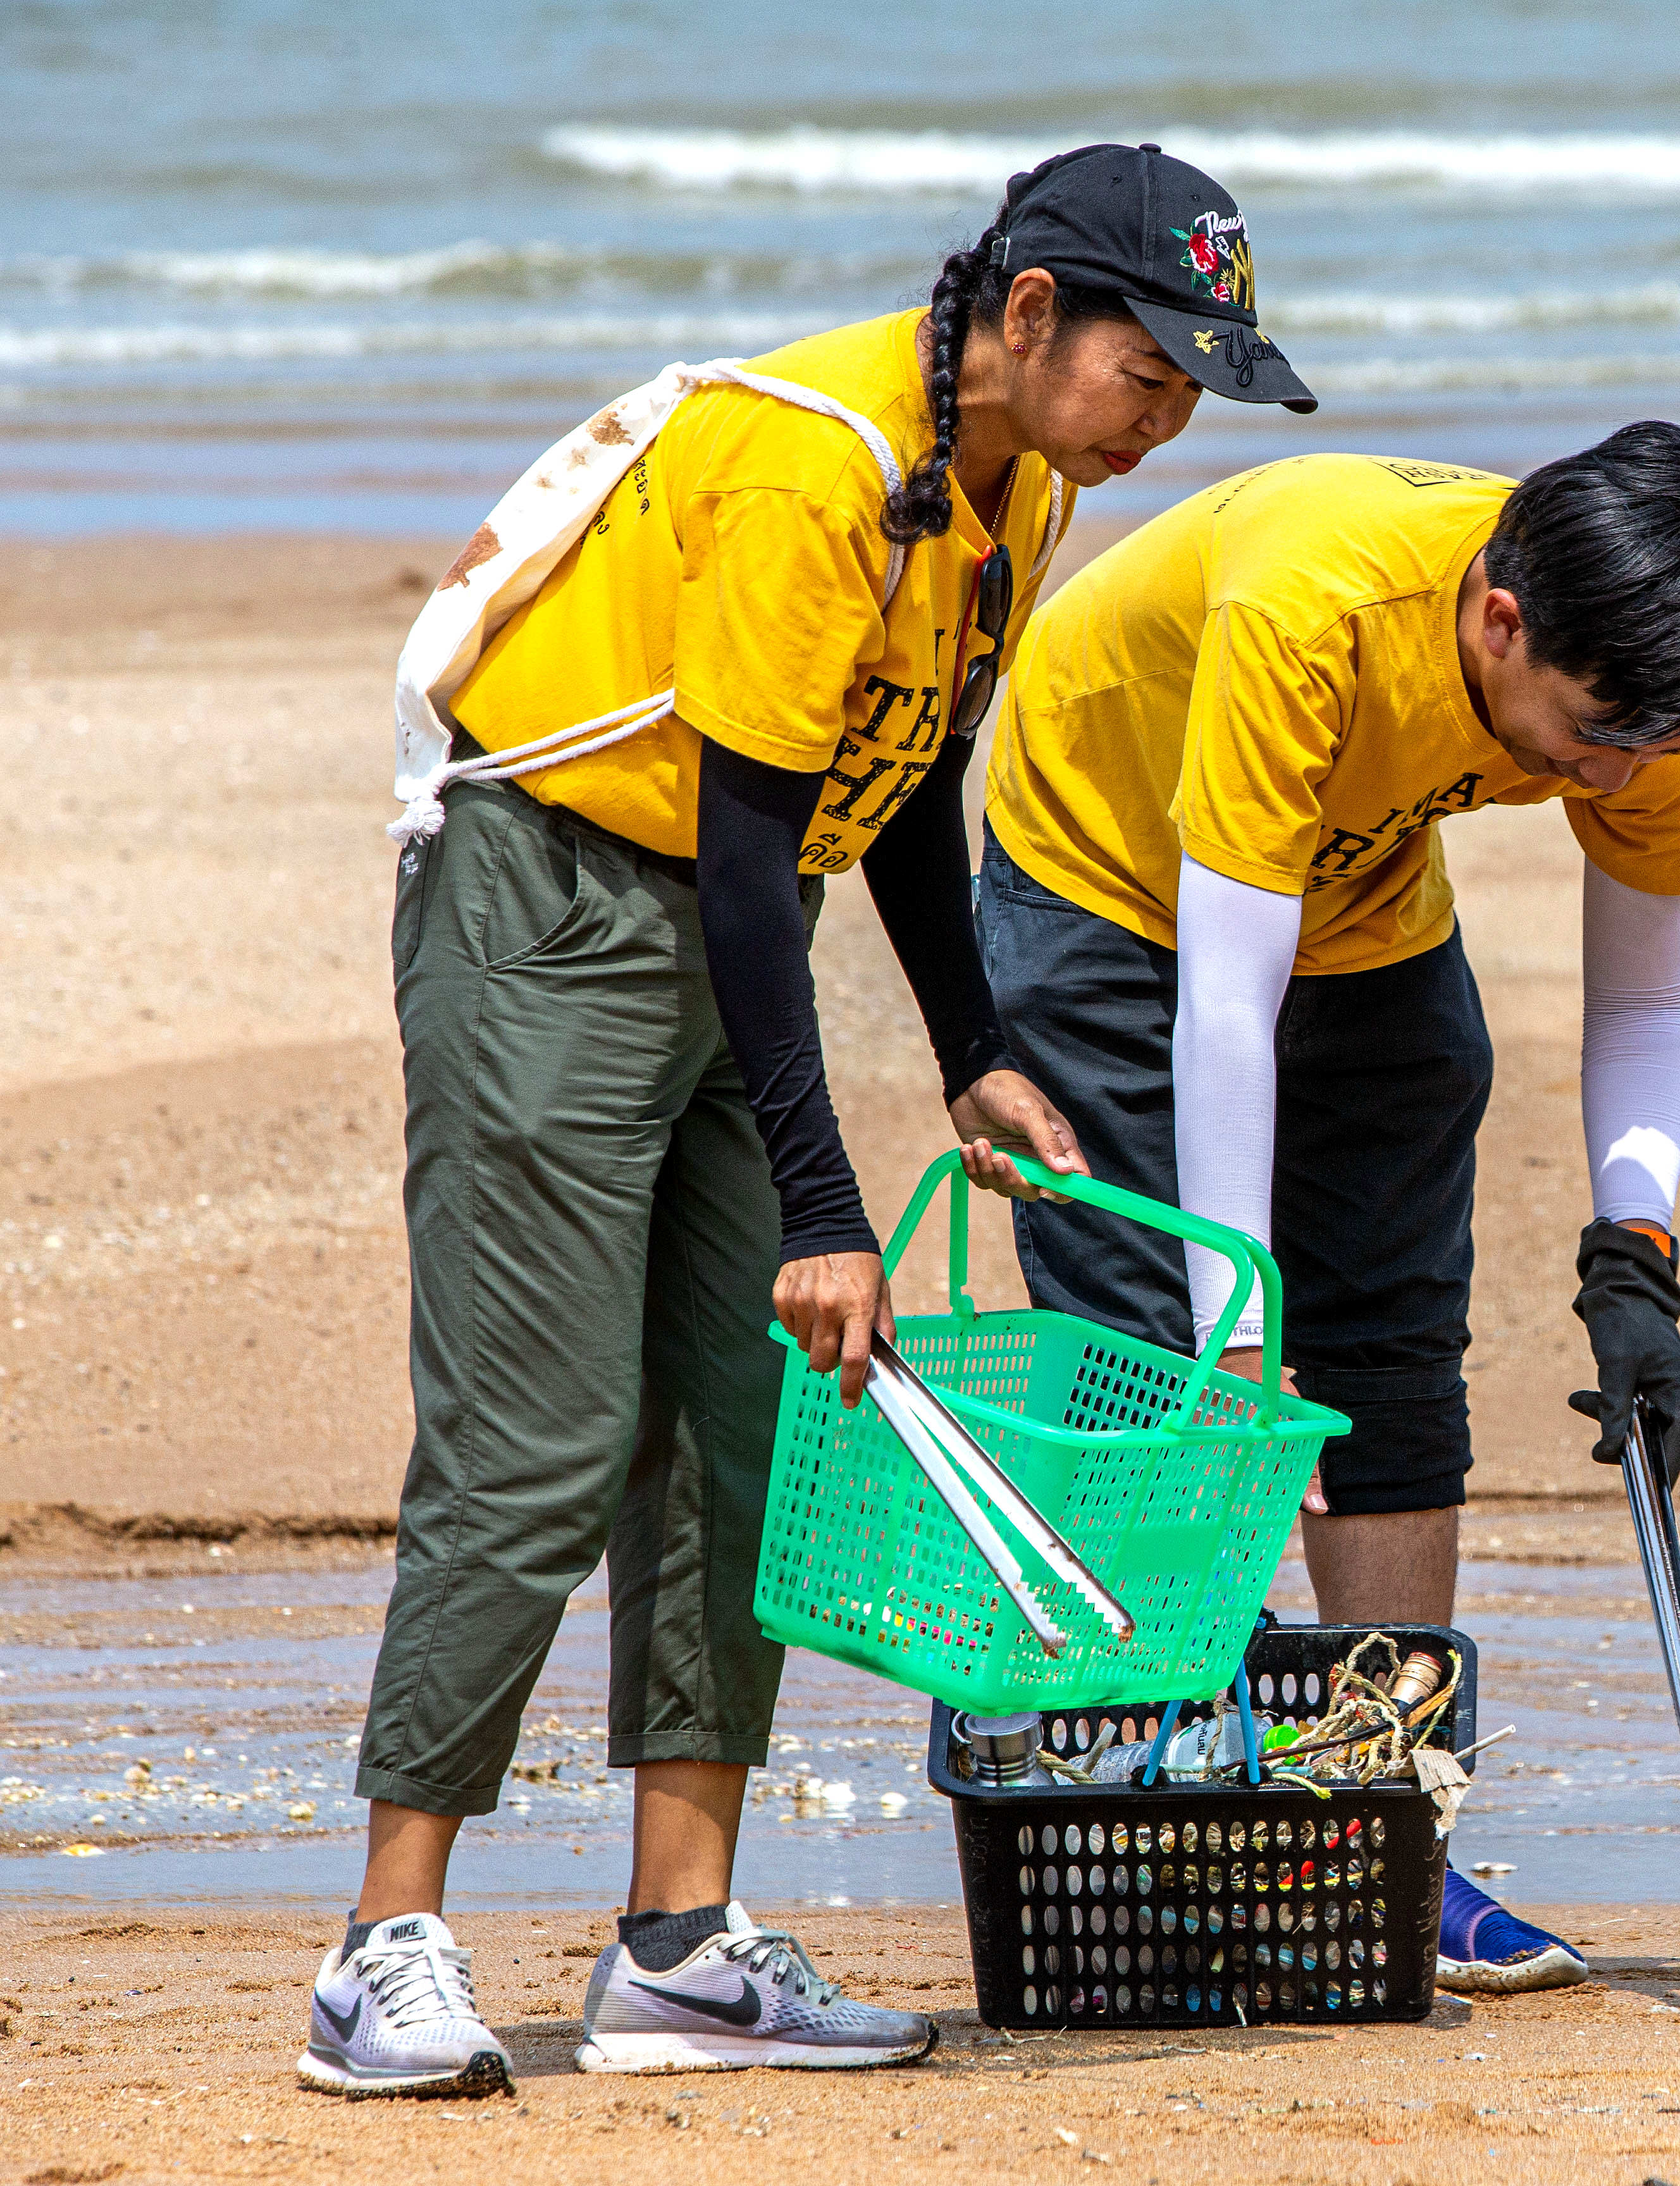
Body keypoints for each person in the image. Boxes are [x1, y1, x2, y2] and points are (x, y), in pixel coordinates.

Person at [309, 145, 1317, 2098]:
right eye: (1153, 373)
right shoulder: (819, 470)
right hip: (556, 902)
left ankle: (677, 1949)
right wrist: (829, 1200)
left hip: (723, 926)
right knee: (540, 1433)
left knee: (740, 1429)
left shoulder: (1017, 483)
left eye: (1199, 391)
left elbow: (912, 777)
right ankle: (383, 1946)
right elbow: (760, 851)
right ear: (1032, 317)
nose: (1168, 421)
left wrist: (975, 1046)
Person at [977, 423, 1680, 1992]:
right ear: (1499, 621)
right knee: (1148, 1341)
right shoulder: (1316, 605)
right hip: (1106, 861)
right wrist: (1228, 1337)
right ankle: (1182, 1812)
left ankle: (1381, 1818)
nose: (1618, 775)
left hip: (1356, 890)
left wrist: (1639, 1255)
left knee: (1388, 1331)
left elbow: (1643, 1001)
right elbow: (1223, 1003)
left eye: (1655, 741)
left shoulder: (1658, 688)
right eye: (1592, 734)